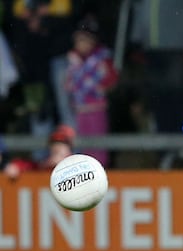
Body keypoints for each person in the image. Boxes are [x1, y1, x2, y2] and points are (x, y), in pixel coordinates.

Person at [64, 15, 118, 167]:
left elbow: (112, 78)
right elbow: (68, 82)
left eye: (84, 40)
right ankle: (85, 169)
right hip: (80, 109)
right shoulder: (73, 61)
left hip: (97, 107)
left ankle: (100, 167)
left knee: (98, 142)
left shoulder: (101, 59)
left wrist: (103, 87)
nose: (81, 44)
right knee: (82, 142)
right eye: (78, 41)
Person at [3, 124, 74, 179]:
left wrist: (63, 165)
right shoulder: (44, 165)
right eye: (54, 143)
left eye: (62, 143)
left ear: (69, 148)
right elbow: (28, 165)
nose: (57, 147)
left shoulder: (76, 165)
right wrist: (15, 167)